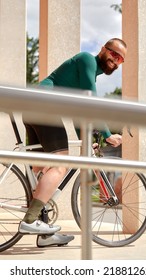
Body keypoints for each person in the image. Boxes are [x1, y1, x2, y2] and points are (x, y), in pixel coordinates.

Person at [18, 38, 127, 247]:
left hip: (35, 107)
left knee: (41, 167)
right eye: (114, 54)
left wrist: (86, 140)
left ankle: (44, 232)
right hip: (44, 107)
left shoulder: (88, 73)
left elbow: (80, 113)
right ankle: (30, 220)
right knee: (61, 164)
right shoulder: (87, 60)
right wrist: (106, 134)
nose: (115, 61)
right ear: (103, 49)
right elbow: (90, 103)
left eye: (120, 60)